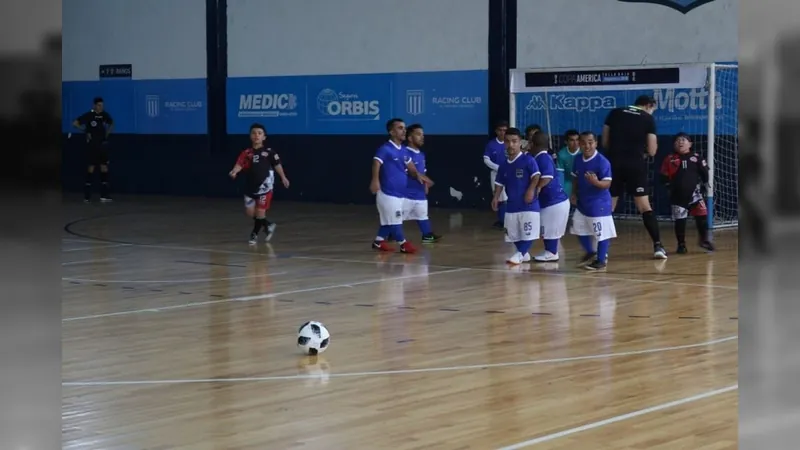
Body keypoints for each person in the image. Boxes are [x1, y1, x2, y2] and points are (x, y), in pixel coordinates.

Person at [602, 95, 667, 259]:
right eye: (653, 110)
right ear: (649, 106)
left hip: (614, 164)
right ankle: (658, 246)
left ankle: (602, 250)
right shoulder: (648, 119)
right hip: (635, 165)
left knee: (608, 207)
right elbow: (652, 150)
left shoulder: (615, 112)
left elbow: (604, 141)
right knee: (644, 206)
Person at [371, 118, 432, 253]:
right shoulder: (385, 149)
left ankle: (378, 242)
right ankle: (403, 244)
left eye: (404, 128)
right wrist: (375, 180)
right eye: (400, 128)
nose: (404, 130)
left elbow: (412, 168)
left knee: (388, 221)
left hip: (400, 194)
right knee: (395, 220)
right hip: (388, 193)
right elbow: (376, 163)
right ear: (391, 132)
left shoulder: (404, 151)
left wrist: (421, 178)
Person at [229, 123, 290, 245]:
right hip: (250, 187)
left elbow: (277, 165)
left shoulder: (269, 152)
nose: (256, 135)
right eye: (254, 133)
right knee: (250, 212)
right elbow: (239, 164)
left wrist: (283, 177)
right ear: (250, 136)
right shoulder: (246, 153)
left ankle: (254, 234)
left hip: (265, 187)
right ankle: (268, 225)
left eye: (259, 133)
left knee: (260, 211)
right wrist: (234, 171)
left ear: (264, 137)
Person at [492, 127, 541, 265]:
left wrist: (531, 190)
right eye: (508, 142)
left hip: (528, 205)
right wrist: (496, 197)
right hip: (512, 205)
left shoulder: (528, 160)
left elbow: (536, 176)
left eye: (514, 141)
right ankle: (524, 253)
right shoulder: (503, 165)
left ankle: (520, 254)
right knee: (512, 234)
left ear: (520, 142)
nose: (511, 145)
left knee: (528, 233)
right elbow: (499, 182)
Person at [659, 133, 715, 253]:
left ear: (690, 144)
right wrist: (668, 186)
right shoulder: (669, 159)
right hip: (678, 195)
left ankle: (704, 240)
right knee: (680, 220)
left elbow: (705, 173)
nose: (680, 142)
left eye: (683, 140)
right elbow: (663, 176)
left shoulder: (697, 158)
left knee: (702, 216)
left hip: (695, 194)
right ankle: (681, 244)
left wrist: (706, 185)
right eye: (678, 140)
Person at [570, 131, 617, 271]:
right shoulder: (578, 159)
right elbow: (575, 177)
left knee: (601, 232)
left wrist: (595, 182)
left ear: (596, 143)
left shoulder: (602, 162)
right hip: (583, 202)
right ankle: (591, 252)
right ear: (579, 144)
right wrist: (573, 193)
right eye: (583, 143)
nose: (587, 146)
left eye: (590, 142)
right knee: (578, 227)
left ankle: (601, 260)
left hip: (599, 203)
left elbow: (607, 184)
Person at [530, 132, 570, 262]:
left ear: (533, 144)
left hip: (554, 202)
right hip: (552, 202)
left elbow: (547, 177)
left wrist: (537, 188)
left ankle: (552, 252)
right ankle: (550, 251)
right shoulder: (541, 157)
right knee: (546, 228)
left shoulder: (543, 158)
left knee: (549, 228)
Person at [403, 123, 441, 243]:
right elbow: (410, 172)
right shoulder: (404, 153)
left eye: (422, 135)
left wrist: (425, 184)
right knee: (397, 217)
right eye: (418, 134)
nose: (422, 137)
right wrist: (427, 180)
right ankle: (388, 235)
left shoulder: (421, 154)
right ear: (409, 138)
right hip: (406, 192)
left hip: (419, 192)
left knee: (422, 215)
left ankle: (427, 235)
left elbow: (422, 172)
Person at [72, 97, 113, 202]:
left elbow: (111, 123)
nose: (101, 107)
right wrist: (85, 131)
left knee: (104, 167)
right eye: (99, 105)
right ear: (94, 105)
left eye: (102, 106)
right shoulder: (89, 115)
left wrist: (107, 134)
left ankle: (104, 196)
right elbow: (75, 123)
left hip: (102, 145)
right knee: (91, 167)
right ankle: (87, 196)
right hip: (92, 146)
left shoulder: (104, 115)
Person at [483, 120, 509, 228]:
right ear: (496, 131)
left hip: (510, 174)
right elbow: (486, 159)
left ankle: (507, 221)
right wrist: (498, 168)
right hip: (496, 174)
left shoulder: (510, 143)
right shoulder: (491, 144)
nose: (502, 132)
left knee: (508, 197)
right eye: (500, 130)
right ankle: (502, 221)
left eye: (504, 130)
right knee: (499, 197)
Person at [556, 129, 580, 199]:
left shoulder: (584, 152)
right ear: (566, 142)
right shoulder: (561, 154)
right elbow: (560, 174)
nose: (575, 143)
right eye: (572, 140)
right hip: (568, 182)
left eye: (577, 139)